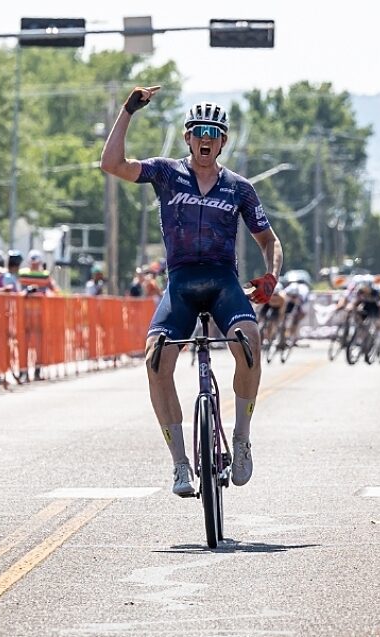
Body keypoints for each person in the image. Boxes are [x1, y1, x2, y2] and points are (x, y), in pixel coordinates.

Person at [102, 87, 283, 496]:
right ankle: (181, 463)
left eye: (213, 132)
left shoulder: (239, 188)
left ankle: (241, 438)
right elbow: (112, 164)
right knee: (154, 361)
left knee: (250, 341)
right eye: (198, 130)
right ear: (187, 137)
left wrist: (271, 275)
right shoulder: (167, 173)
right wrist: (128, 111)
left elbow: (269, 240)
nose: (206, 138)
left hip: (223, 282)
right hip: (181, 283)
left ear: (223, 141)